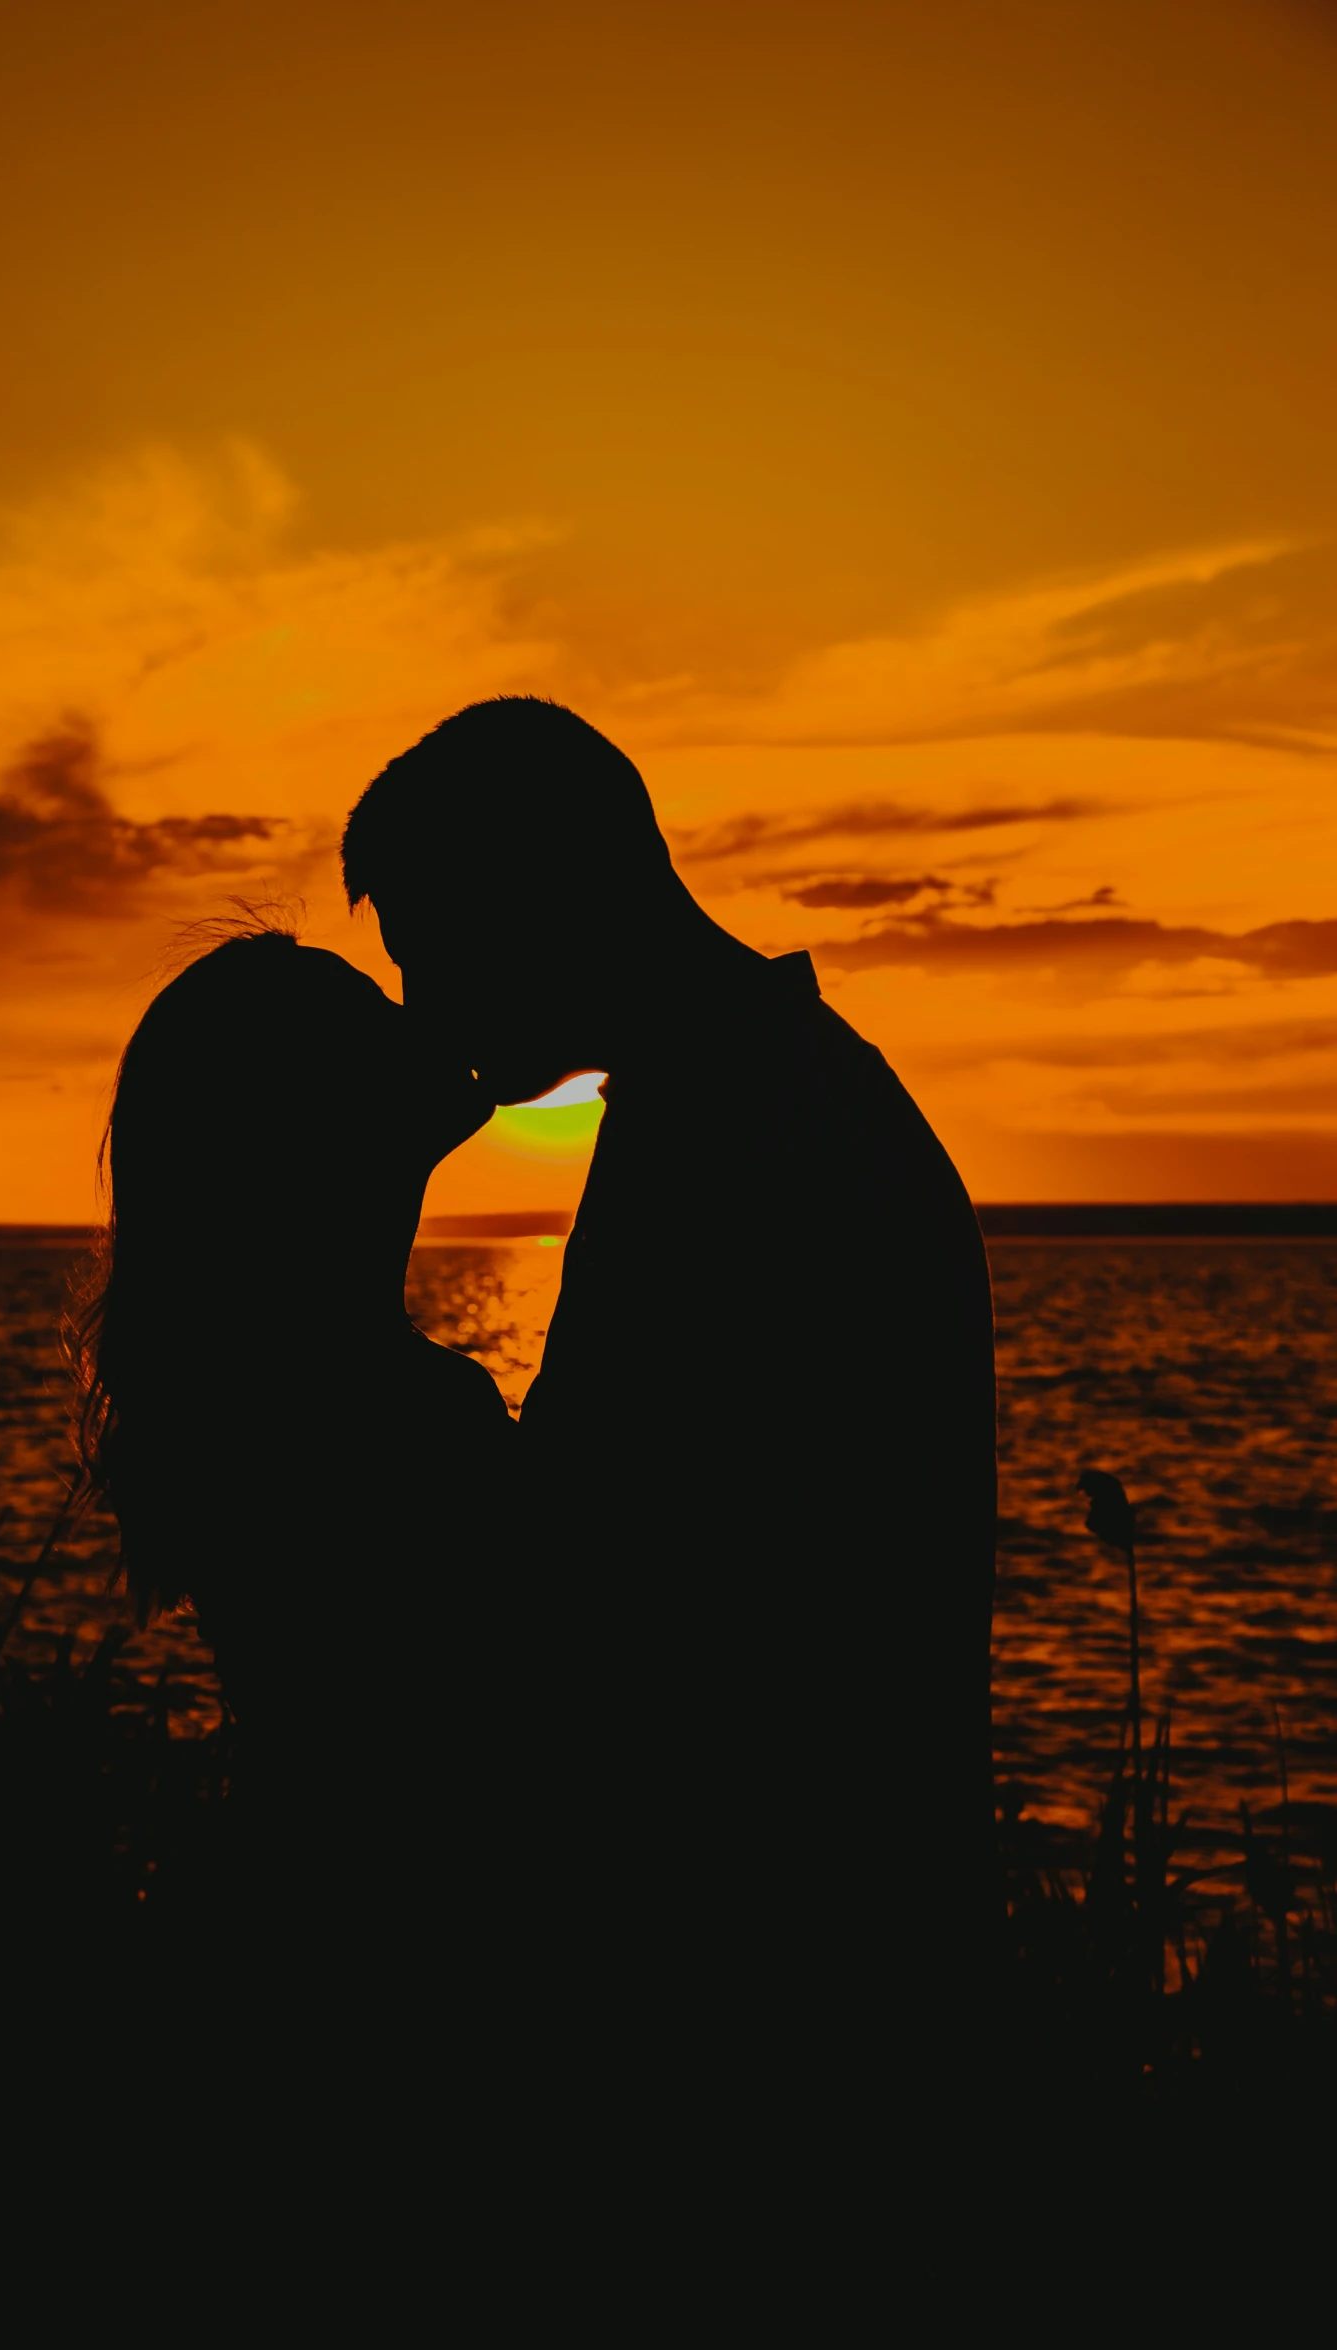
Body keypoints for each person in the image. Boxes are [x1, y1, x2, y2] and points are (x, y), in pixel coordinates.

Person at [342, 697, 998, 2121]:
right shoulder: (747, 1100)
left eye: (427, 952)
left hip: (775, 2021)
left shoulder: (754, 1140)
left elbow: (594, 1599)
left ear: (535, 896)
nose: (421, 1010)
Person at [71, 921, 516, 1939]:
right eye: (374, 1020)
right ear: (316, 1121)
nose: (416, 1019)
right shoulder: (398, 1416)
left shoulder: (263, 1391)